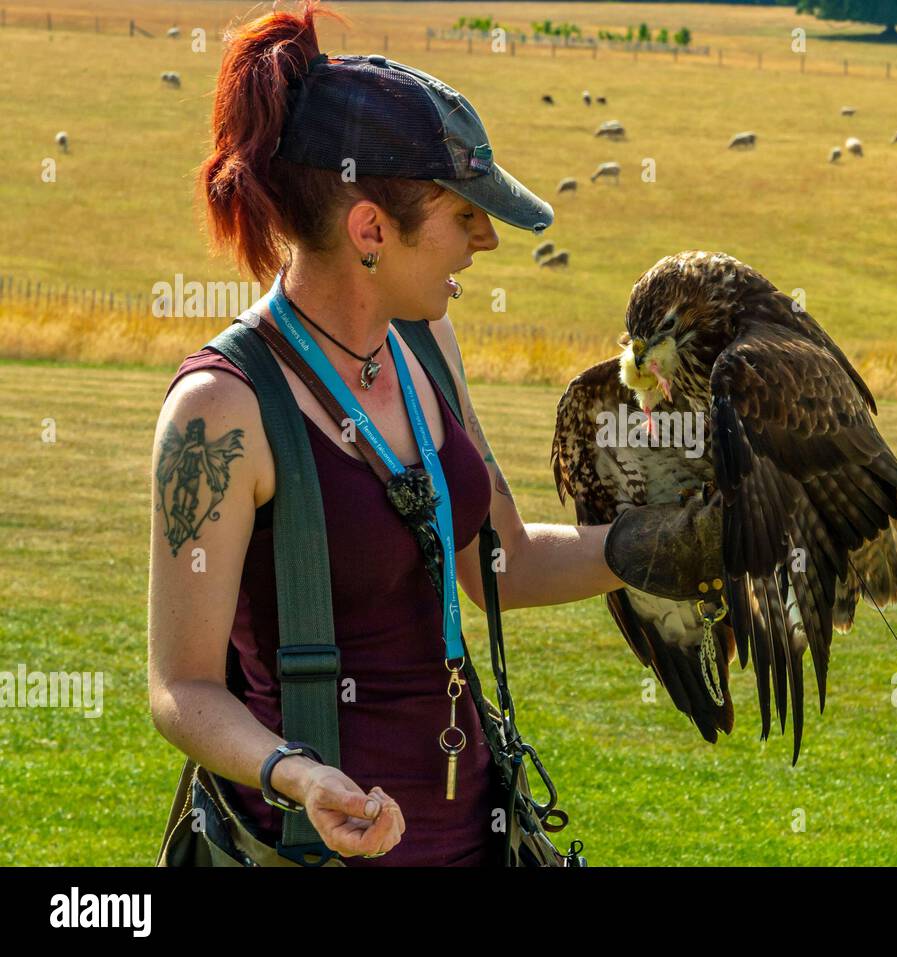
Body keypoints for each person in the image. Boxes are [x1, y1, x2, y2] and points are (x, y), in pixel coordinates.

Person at [147, 0, 718, 866]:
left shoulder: (426, 344)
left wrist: (685, 540)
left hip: (476, 834)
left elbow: (503, 564)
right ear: (371, 230)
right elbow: (180, 686)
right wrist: (297, 774)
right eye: (463, 216)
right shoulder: (220, 410)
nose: (486, 240)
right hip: (316, 849)